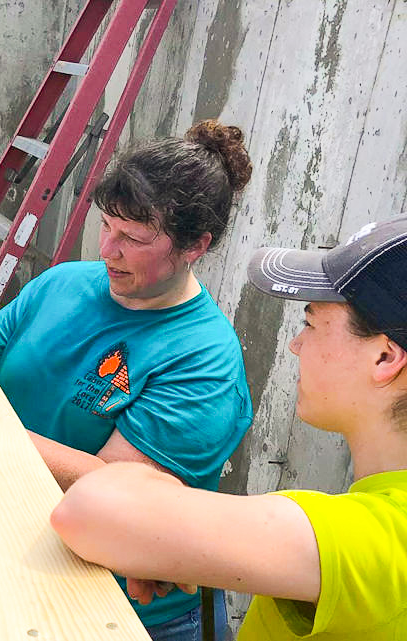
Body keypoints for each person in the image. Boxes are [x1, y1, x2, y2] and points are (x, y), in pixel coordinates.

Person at [0, 121, 255, 639]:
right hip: (20, 566)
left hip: (121, 613)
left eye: (134, 239)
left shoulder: (204, 361)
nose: (107, 250)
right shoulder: (61, 284)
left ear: (195, 246)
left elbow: (117, 494)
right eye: (107, 226)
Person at [51, 215, 407, 640]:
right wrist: (171, 541)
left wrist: (156, 524)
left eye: (310, 323)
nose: (295, 345)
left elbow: (89, 510)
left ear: (385, 358)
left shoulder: (375, 540)